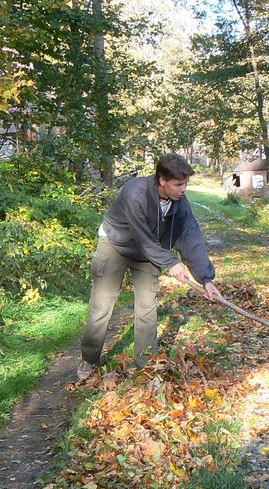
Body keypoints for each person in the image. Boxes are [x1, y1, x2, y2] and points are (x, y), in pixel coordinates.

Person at [77, 153, 222, 380]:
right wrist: (171, 262)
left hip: (148, 251)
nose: (183, 190)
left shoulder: (179, 202)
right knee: (101, 307)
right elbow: (142, 238)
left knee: (147, 309)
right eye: (178, 184)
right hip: (115, 243)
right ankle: (89, 359)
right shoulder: (135, 194)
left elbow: (190, 236)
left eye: (185, 184)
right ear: (162, 180)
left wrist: (206, 279)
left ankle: (147, 366)